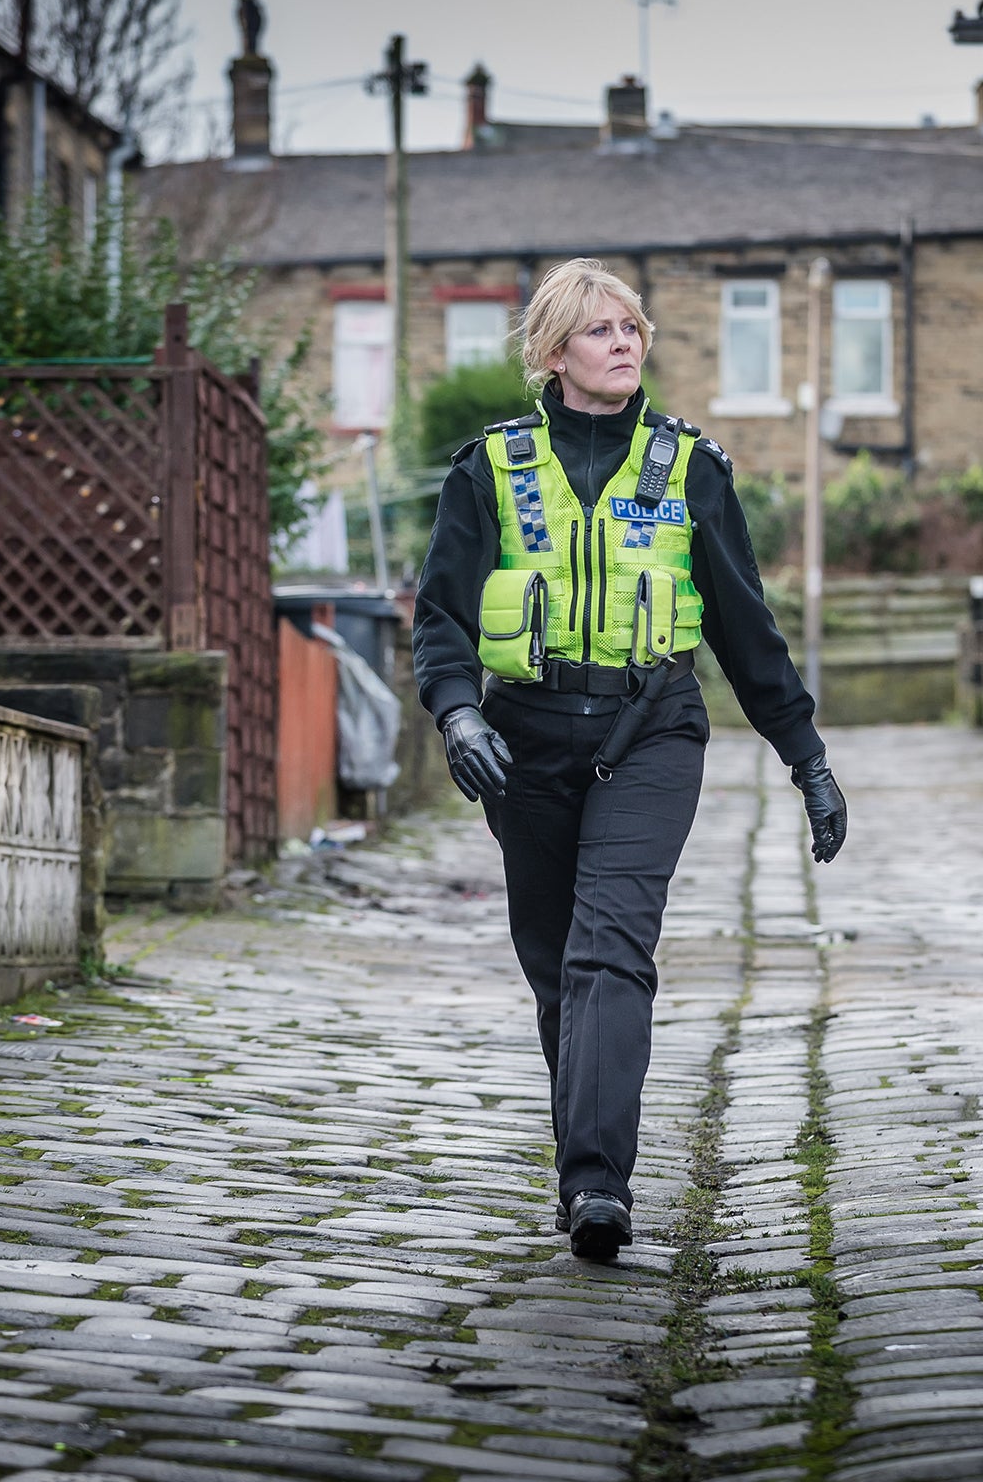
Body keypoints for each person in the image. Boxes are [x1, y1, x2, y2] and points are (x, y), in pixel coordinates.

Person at [412, 258, 848, 1261]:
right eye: (600, 330)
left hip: (650, 730)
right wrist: (457, 718)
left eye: (630, 327)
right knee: (556, 968)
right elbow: (437, 615)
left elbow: (745, 627)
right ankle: (584, 1160)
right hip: (522, 741)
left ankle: (597, 1185)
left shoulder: (689, 466)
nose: (623, 343)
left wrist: (805, 758)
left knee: (611, 948)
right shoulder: (493, 469)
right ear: (553, 351)